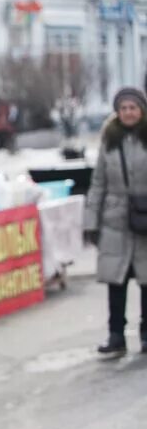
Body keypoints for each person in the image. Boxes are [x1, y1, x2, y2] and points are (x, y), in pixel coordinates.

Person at [84, 87, 147, 356]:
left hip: (145, 220)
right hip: (115, 220)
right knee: (115, 281)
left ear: (142, 110)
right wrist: (91, 221)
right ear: (117, 112)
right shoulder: (109, 140)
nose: (129, 112)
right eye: (124, 108)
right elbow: (98, 183)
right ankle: (116, 336)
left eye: (133, 107)